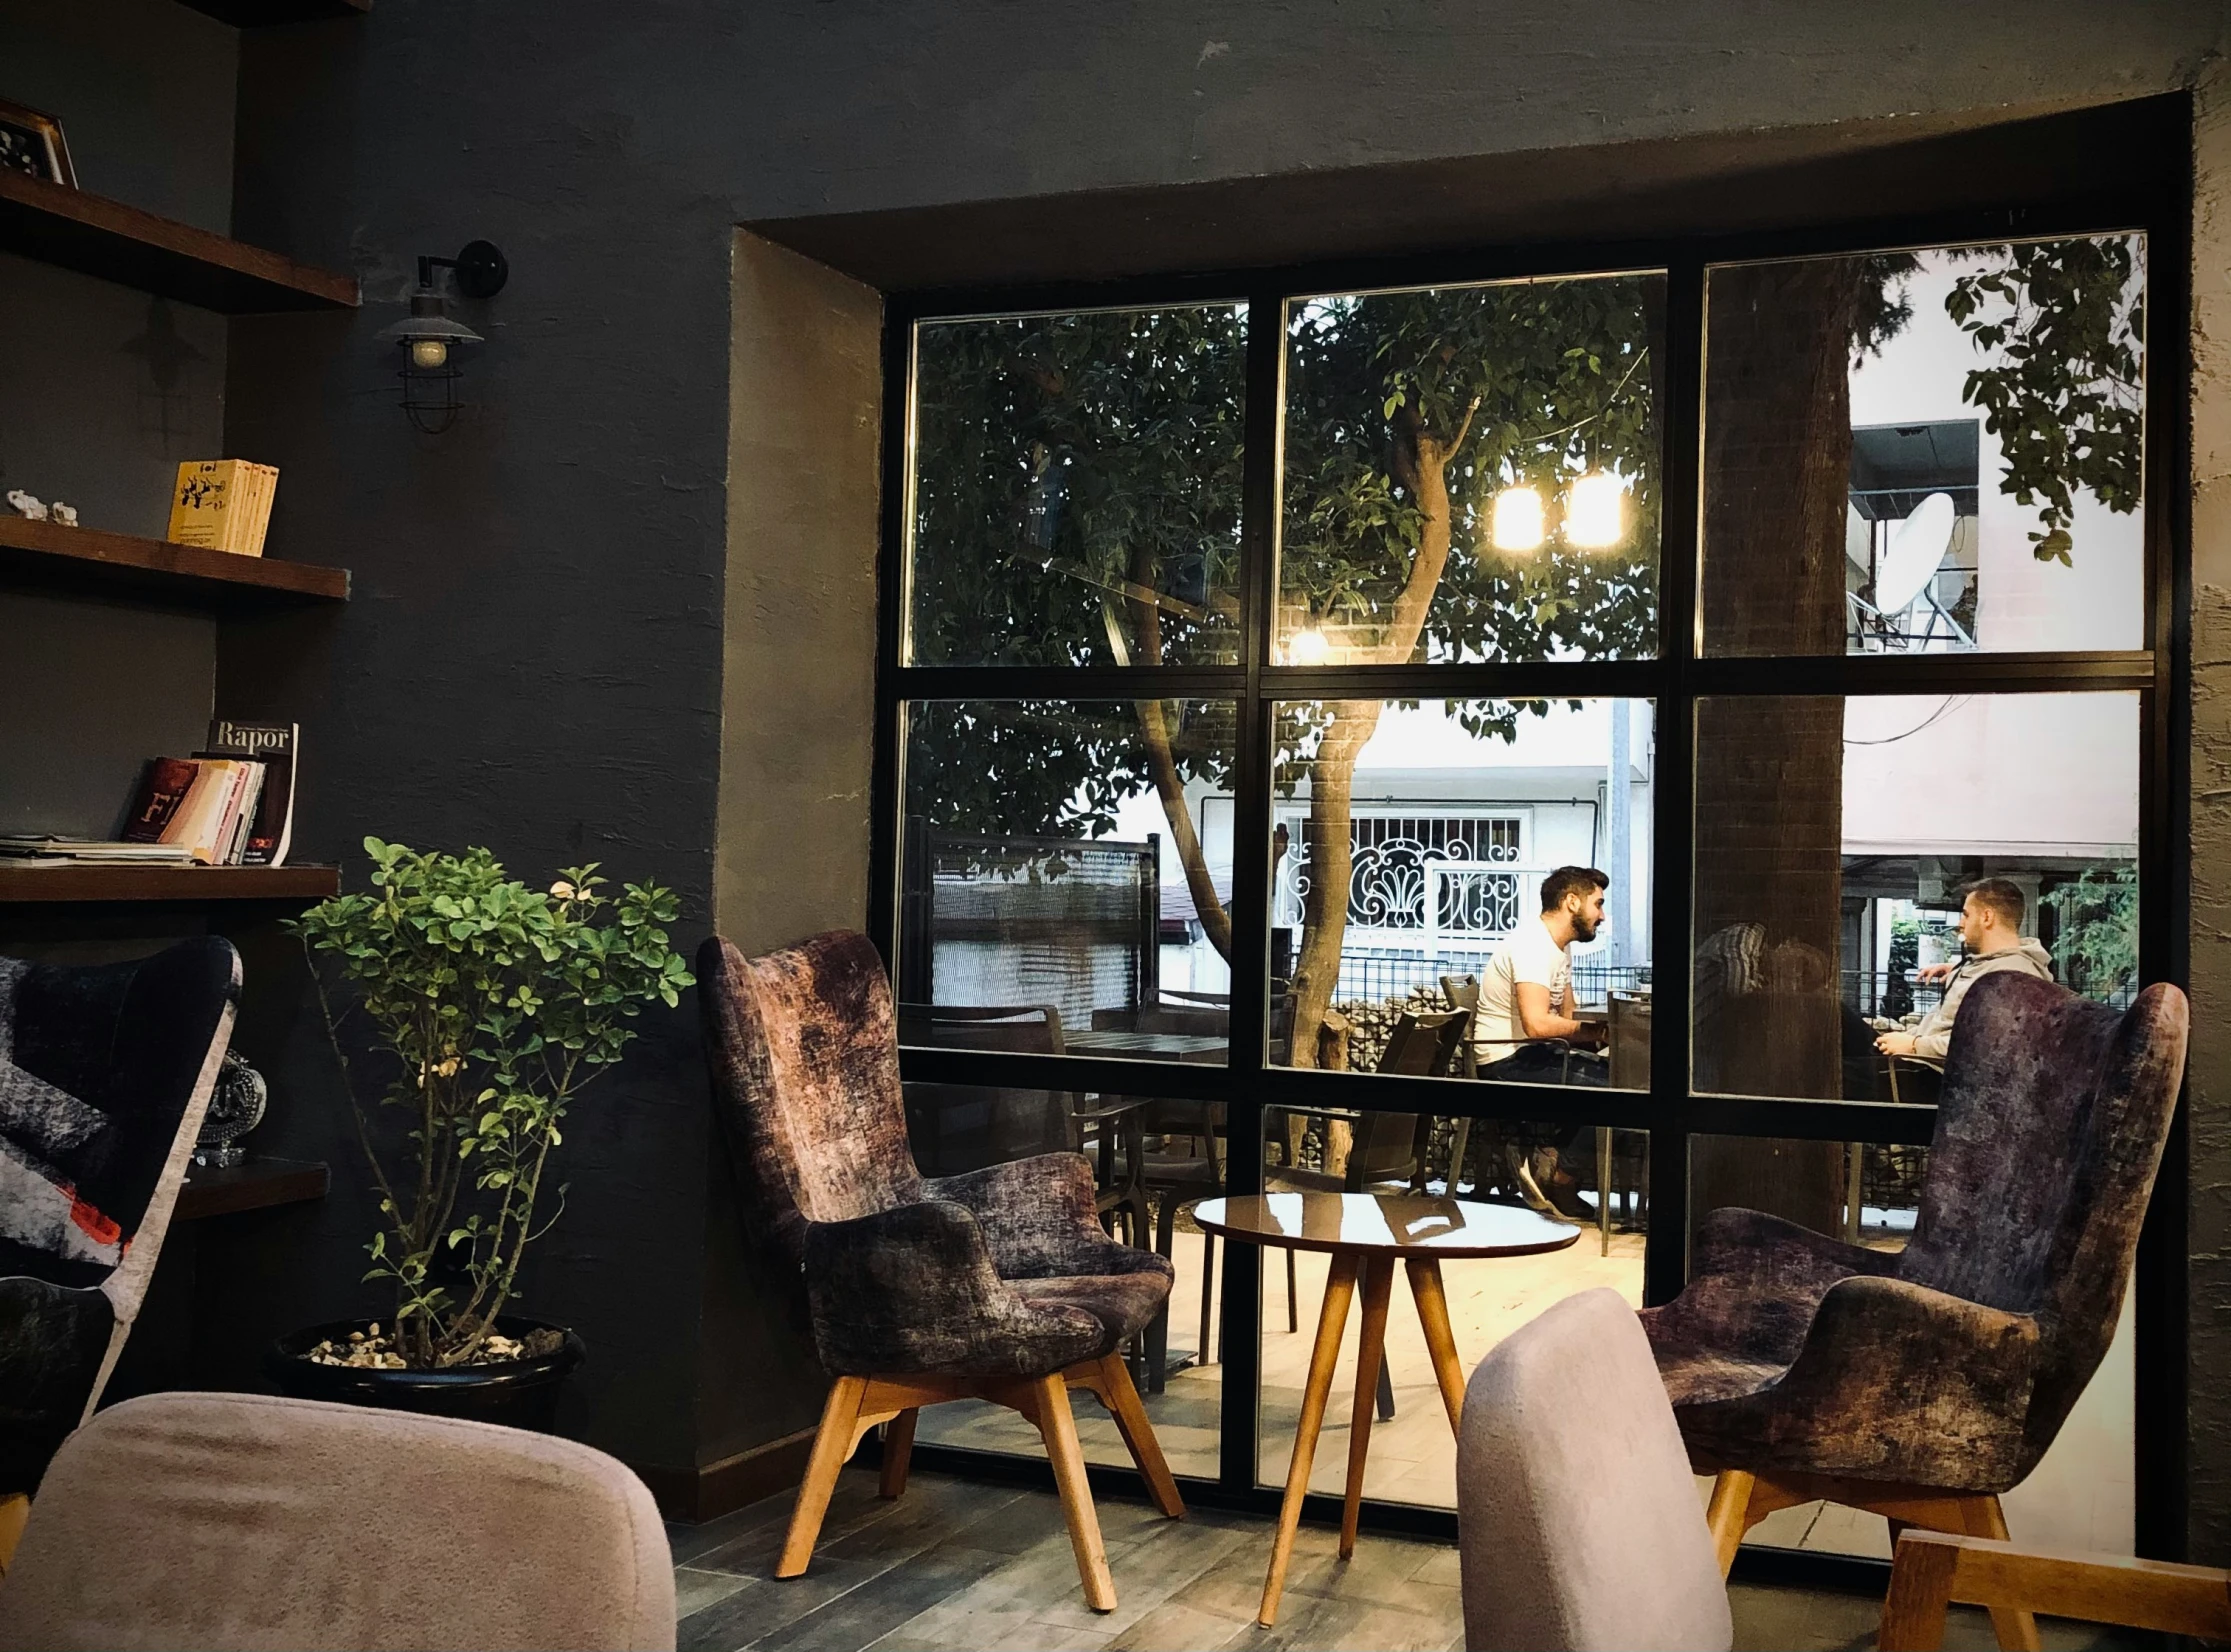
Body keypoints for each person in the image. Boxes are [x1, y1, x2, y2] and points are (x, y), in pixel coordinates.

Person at [1475, 866, 1611, 1221]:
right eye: (1597, 904)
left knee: (1618, 1073)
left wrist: (1595, 1037)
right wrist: (1596, 1033)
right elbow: (1537, 1024)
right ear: (1571, 902)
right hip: (1506, 1061)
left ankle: (1550, 1158)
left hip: (1529, 1053)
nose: (1602, 915)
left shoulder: (1558, 947)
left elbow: (1566, 1013)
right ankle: (1560, 1177)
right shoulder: (1533, 946)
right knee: (1619, 1088)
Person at [1875, 878, 2053, 1069]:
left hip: (1929, 1073)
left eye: (1966, 915)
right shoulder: (1994, 967)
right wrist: (1960, 970)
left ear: (1987, 917)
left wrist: (1914, 1045)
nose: (1961, 924)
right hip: (1916, 1058)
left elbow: (1982, 1046)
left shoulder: (2012, 976)